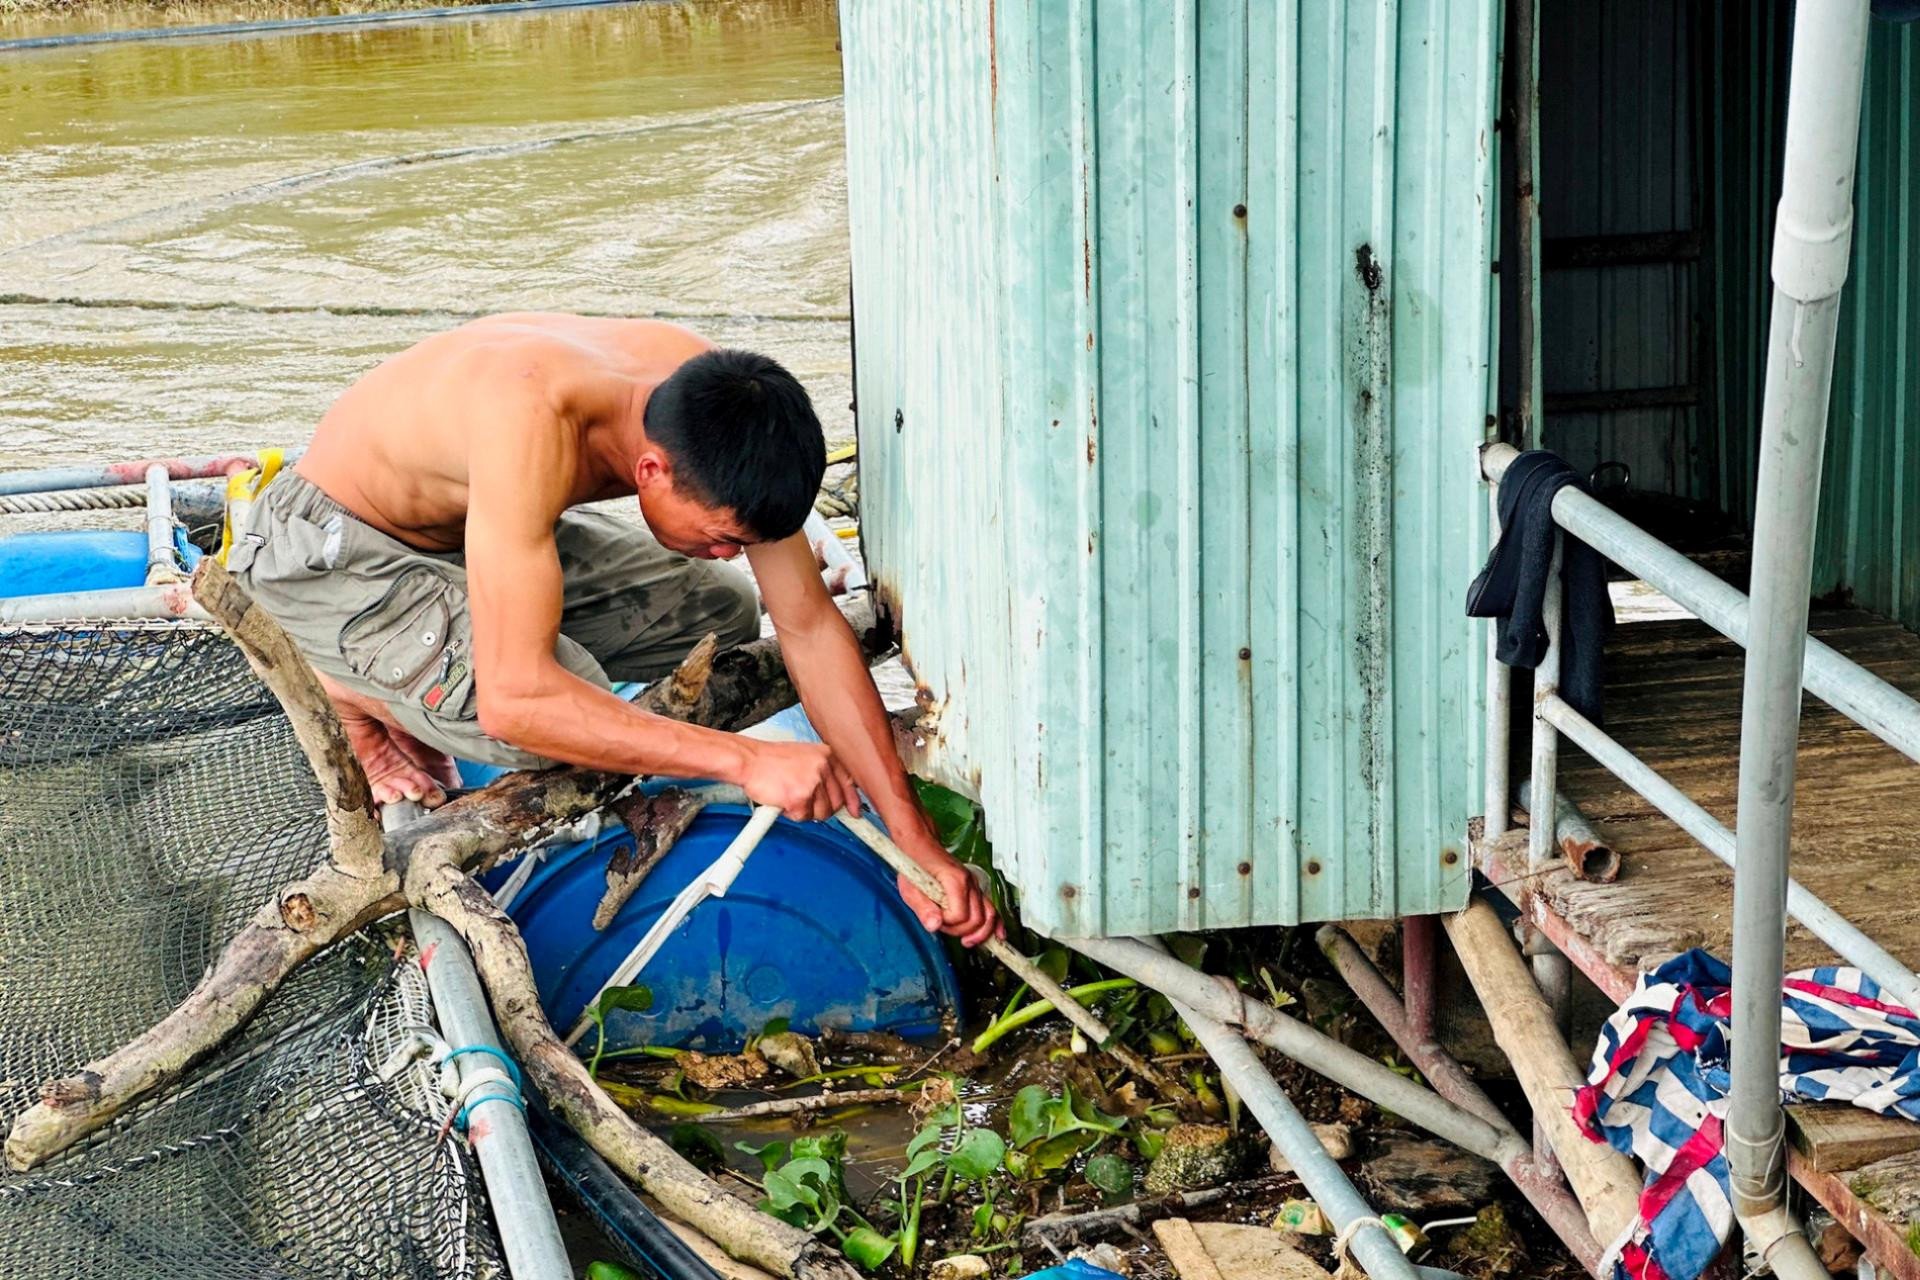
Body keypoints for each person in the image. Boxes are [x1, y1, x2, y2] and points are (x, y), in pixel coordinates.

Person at [228, 312, 999, 946]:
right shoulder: (531, 421)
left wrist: (916, 841)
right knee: (549, 722)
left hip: (468, 531)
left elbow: (806, 622)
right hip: (330, 549)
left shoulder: (719, 402)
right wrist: (746, 760)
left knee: (724, 608)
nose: (735, 550)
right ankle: (347, 684)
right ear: (652, 473)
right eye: (723, 534)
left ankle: (425, 647)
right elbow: (517, 702)